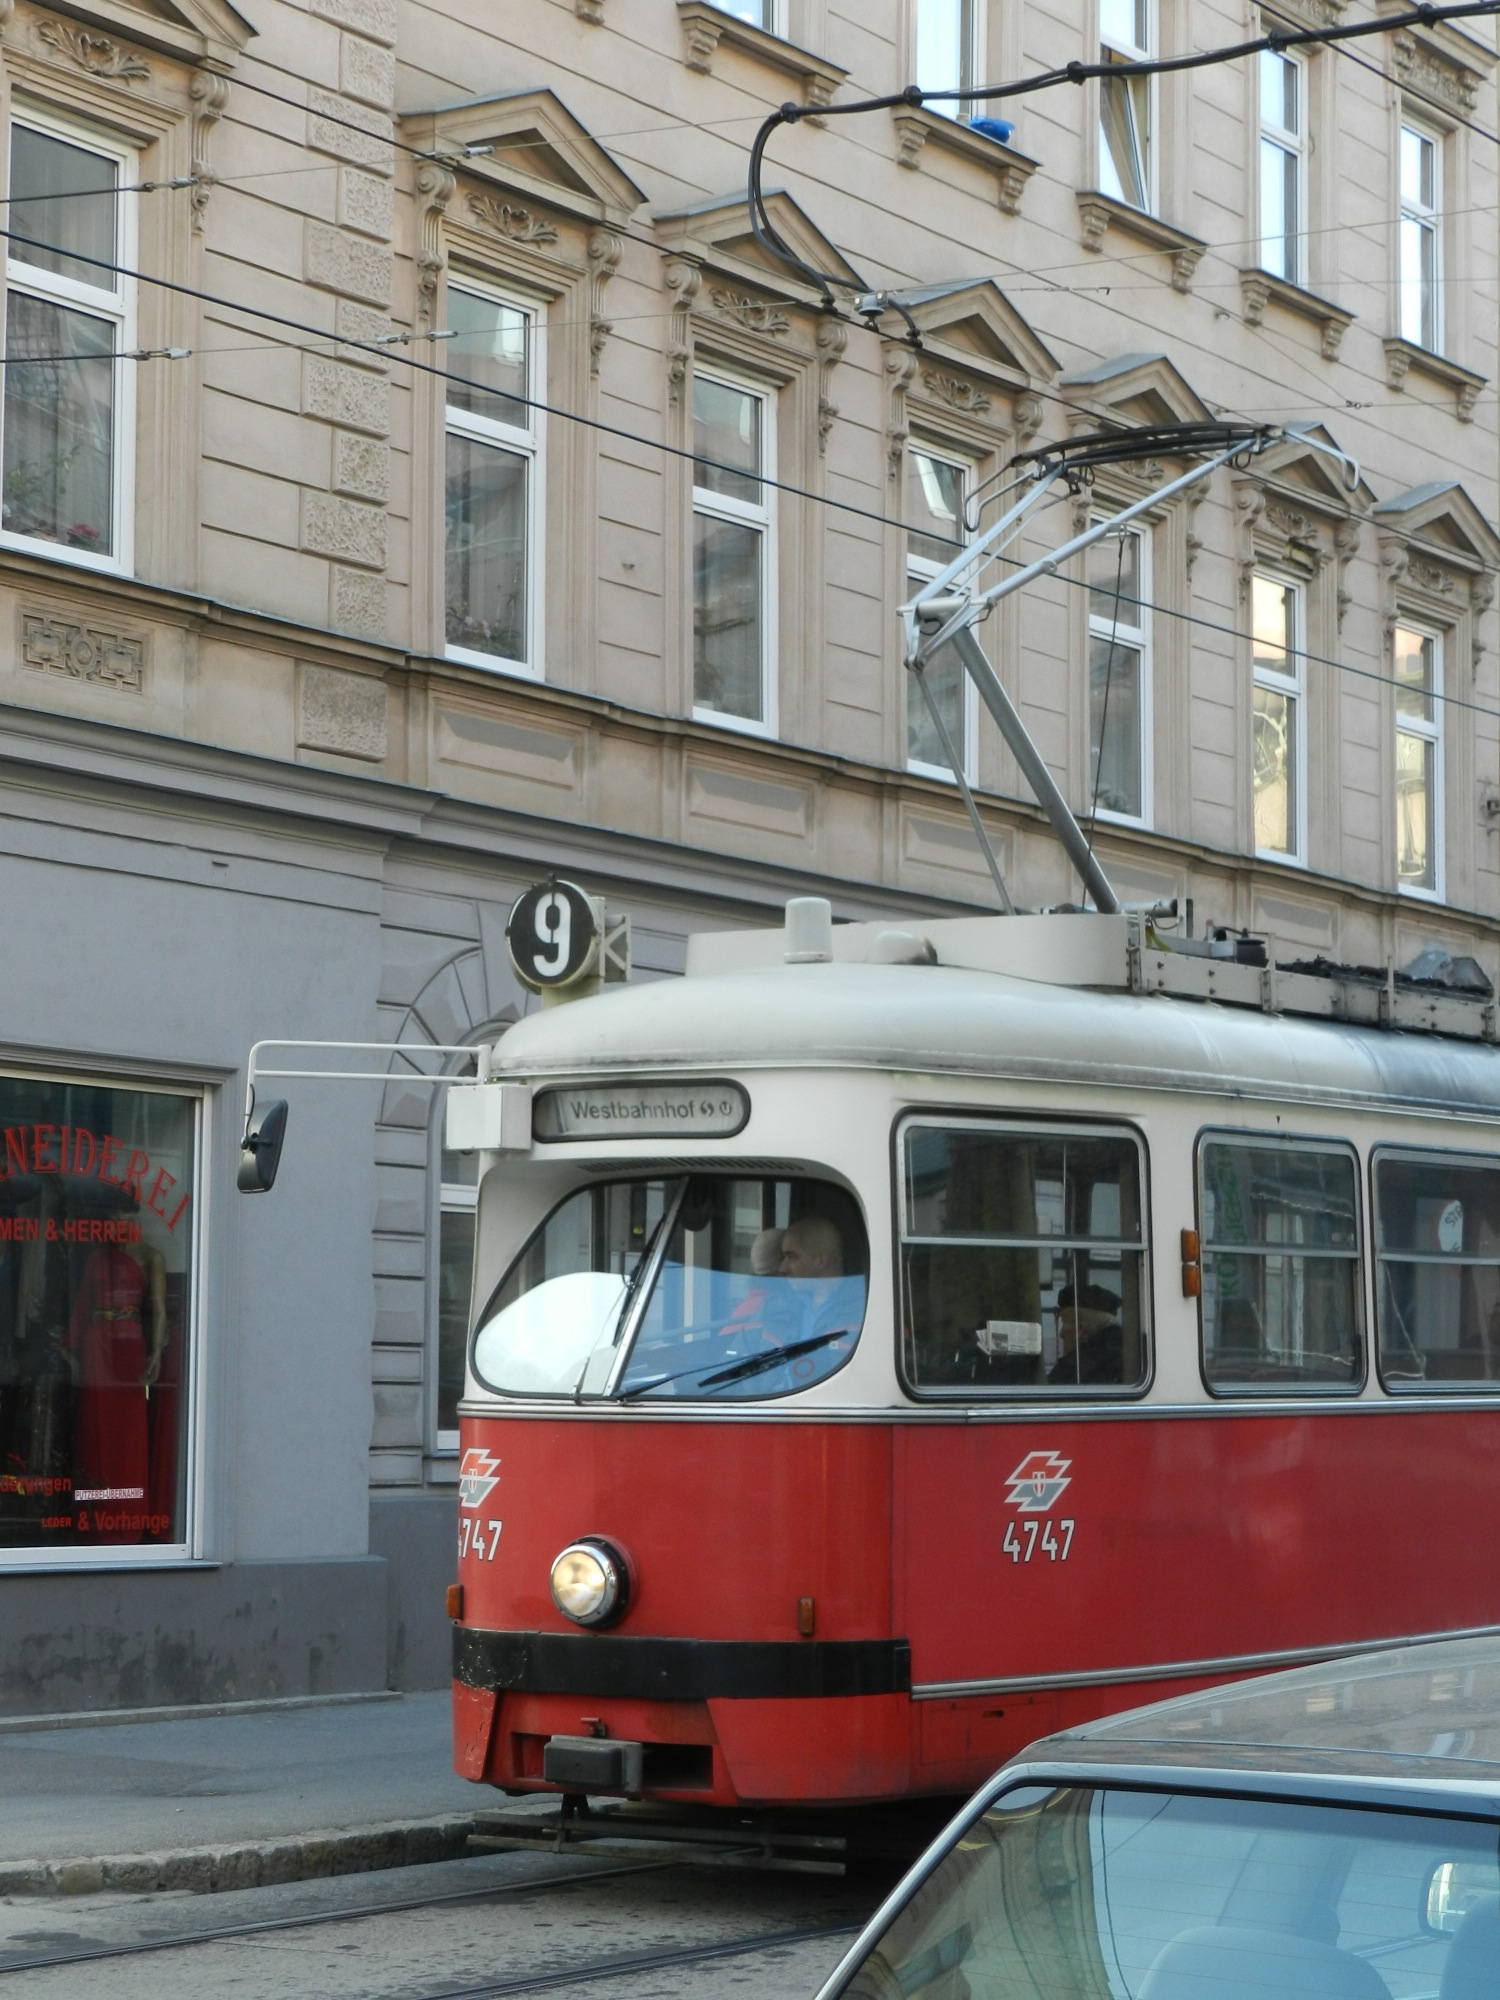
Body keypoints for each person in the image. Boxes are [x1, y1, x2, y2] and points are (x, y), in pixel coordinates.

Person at [779, 1216, 865, 1343]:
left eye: (792, 1257)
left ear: (820, 1261)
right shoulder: (785, 1303)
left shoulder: (858, 1310)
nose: (782, 1268)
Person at [1048, 1281, 1124, 1386]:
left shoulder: (1073, 1368)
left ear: (1080, 1328)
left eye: (1064, 1321)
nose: (1061, 1333)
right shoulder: (1129, 1354)